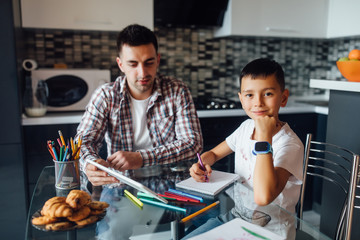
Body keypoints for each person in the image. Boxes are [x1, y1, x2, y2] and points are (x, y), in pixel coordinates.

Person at [183, 58, 304, 239]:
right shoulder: (246, 128)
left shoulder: (289, 145)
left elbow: (263, 197)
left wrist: (264, 137)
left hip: (270, 232)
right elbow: (215, 153)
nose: (258, 103)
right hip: (235, 218)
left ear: (283, 97)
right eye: (249, 95)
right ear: (241, 99)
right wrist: (201, 164)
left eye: (268, 94)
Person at [76, 24, 203, 188]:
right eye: (133, 64)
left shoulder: (177, 91)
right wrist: (90, 163)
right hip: (120, 186)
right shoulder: (105, 96)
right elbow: (84, 141)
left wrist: (141, 158)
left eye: (149, 62)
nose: (142, 73)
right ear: (120, 64)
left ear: (158, 59)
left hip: (171, 186)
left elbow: (193, 143)